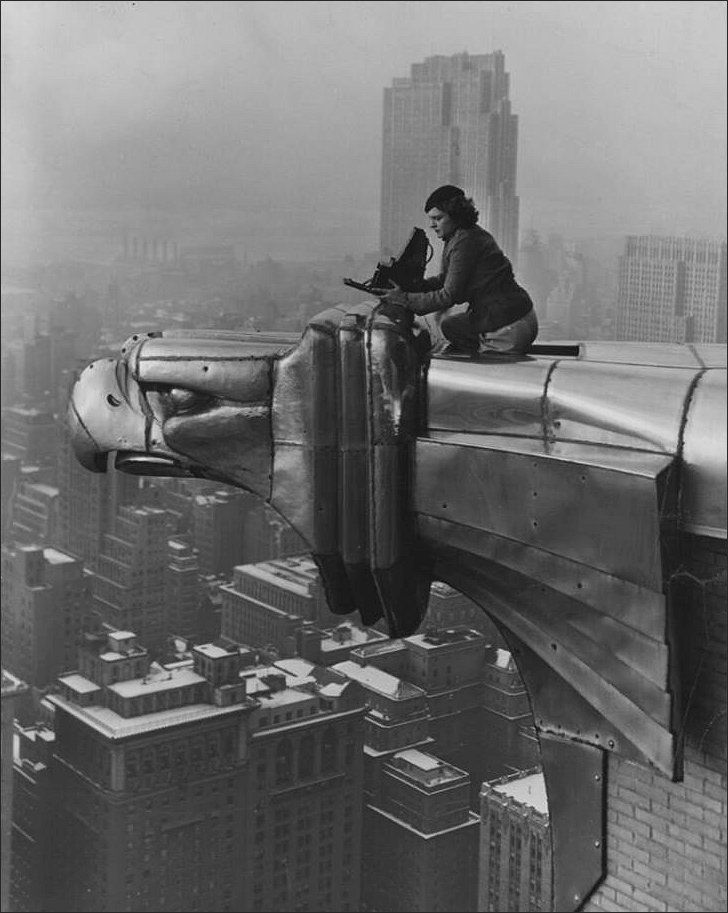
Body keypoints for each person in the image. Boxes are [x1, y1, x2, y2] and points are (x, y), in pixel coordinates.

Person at [373, 185, 538, 356]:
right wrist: (416, 287)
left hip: (508, 325)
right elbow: (447, 279)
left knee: (484, 376)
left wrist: (404, 299)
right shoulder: (463, 236)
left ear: (455, 215)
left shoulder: (464, 242)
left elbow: (448, 295)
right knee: (451, 326)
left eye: (438, 218)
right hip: (514, 316)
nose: (432, 225)